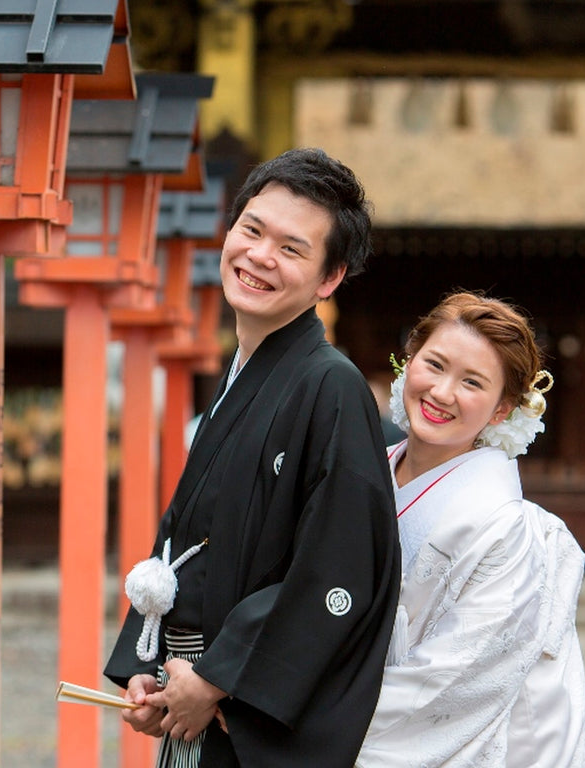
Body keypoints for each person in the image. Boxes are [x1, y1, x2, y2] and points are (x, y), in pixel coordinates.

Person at [104, 148, 401, 767]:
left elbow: (337, 566)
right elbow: (184, 537)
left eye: (292, 249)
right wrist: (146, 659)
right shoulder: (239, 375)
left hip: (230, 702)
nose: (260, 256)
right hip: (189, 694)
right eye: (252, 230)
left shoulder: (332, 386)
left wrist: (215, 678)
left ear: (329, 279)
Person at [356, 291, 585, 768]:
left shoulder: (506, 528)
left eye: (472, 382)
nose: (443, 393)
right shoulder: (364, 472)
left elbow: (454, 678)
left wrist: (315, 718)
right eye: (435, 365)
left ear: (503, 408)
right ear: (409, 361)